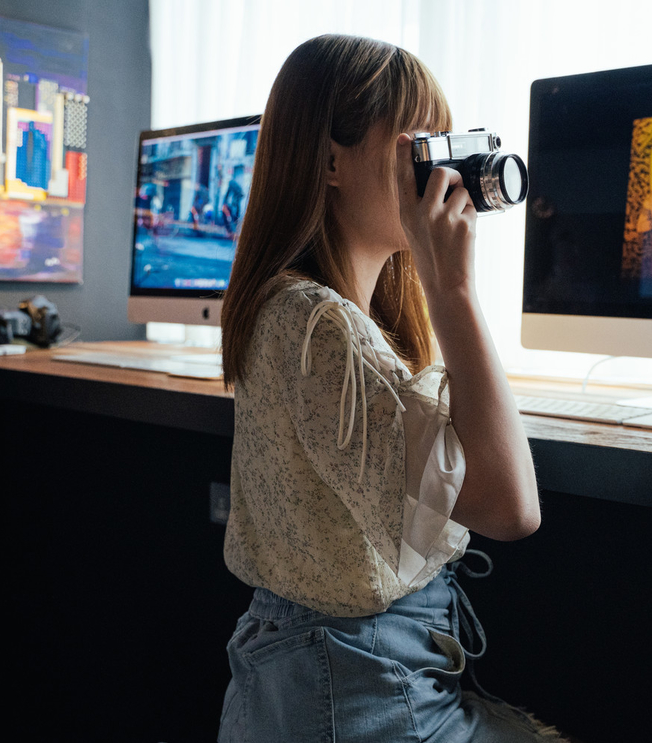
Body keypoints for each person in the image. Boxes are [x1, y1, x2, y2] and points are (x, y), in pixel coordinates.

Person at [217, 34, 566, 742]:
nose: (430, 170)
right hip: (352, 691)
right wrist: (453, 285)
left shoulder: (307, 311)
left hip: (323, 679)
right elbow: (510, 506)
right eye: (415, 146)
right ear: (330, 159)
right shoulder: (318, 323)